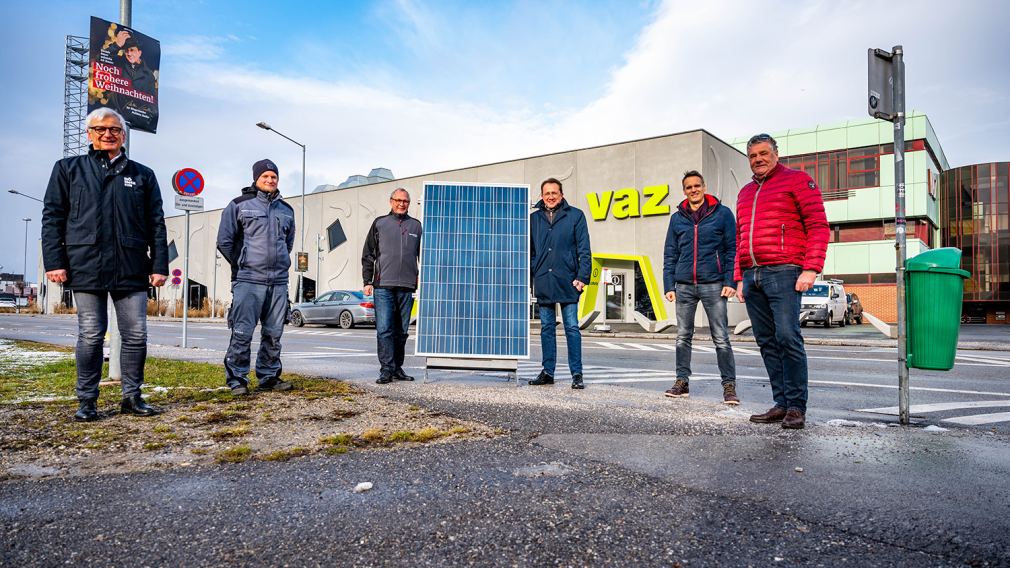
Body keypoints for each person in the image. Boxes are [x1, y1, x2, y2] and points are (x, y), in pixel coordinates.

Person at [41, 107, 168, 421]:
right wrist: (54, 261)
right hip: (86, 264)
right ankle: (87, 401)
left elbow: (157, 223)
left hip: (131, 265)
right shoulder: (68, 170)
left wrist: (159, 265)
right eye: (100, 129)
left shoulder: (142, 175)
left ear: (122, 135)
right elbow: (52, 218)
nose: (108, 134)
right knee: (91, 334)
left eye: (114, 129)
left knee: (136, 335)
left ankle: (132, 397)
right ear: (89, 134)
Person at [735, 134, 829, 429]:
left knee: (788, 337)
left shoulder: (798, 181)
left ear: (776, 154)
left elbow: (818, 225)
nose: (758, 159)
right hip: (753, 275)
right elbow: (740, 238)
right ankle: (781, 402)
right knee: (766, 341)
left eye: (764, 153)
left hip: (785, 272)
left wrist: (811, 268)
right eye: (753, 155)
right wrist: (739, 278)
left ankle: (797, 407)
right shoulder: (745, 192)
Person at [216, 159, 296, 395]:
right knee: (242, 332)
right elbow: (224, 241)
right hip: (248, 280)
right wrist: (244, 262)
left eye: (274, 177)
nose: (270, 180)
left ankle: (269, 376)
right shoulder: (239, 205)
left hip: (278, 282)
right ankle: (237, 379)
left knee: (274, 334)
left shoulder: (287, 210)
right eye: (266, 176)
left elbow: (287, 243)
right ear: (256, 178)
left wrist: (278, 263)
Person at [662, 170, 739, 405]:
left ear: (704, 187)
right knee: (683, 337)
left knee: (721, 338)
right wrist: (669, 284)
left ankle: (729, 386)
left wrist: (730, 281)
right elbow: (670, 253)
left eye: (697, 186)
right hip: (684, 285)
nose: (693, 190)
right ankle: (681, 382)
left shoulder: (722, 214)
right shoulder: (677, 218)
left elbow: (731, 249)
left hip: (714, 284)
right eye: (688, 187)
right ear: (684, 190)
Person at [528, 177, 592, 390]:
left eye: (554, 193)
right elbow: (530, 251)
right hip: (544, 281)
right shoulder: (534, 219)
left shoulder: (575, 216)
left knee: (572, 328)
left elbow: (584, 249)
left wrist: (583, 277)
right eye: (547, 193)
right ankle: (548, 372)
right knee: (546, 328)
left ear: (561, 195)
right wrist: (532, 275)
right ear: (542, 196)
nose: (550, 196)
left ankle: (577, 374)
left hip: (568, 281)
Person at [362, 188, 423, 384]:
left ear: (409, 203)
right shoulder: (380, 223)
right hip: (383, 286)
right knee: (385, 329)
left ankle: (397, 368)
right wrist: (367, 281)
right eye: (398, 200)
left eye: (405, 201)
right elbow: (368, 254)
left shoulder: (416, 226)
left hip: (406, 286)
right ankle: (386, 370)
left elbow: (426, 256)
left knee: (402, 331)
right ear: (391, 201)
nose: (401, 203)